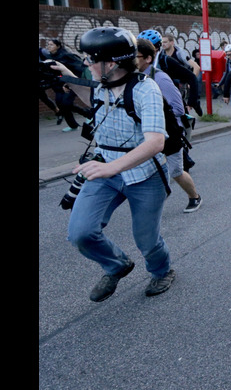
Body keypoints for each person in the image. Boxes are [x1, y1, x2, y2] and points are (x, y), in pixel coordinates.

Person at [49, 27, 176, 302]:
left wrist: (112, 168)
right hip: (104, 165)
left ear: (112, 63)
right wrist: (66, 77)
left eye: (91, 58)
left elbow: (155, 142)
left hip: (144, 174)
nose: (86, 63)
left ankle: (162, 270)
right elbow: (95, 103)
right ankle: (116, 265)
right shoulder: (101, 85)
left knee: (146, 239)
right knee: (80, 233)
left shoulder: (146, 89)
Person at [135, 39, 203, 213]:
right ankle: (154, 200)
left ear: (148, 58)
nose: (131, 60)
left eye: (136, 56)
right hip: (147, 133)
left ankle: (194, 196)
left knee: (176, 171)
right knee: (148, 169)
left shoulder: (159, 77)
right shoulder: (134, 78)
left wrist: (163, 122)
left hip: (169, 132)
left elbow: (178, 107)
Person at [43, 39, 88, 132]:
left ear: (58, 46)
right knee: (61, 104)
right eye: (48, 45)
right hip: (58, 85)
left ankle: (88, 114)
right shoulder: (49, 57)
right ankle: (73, 125)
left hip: (70, 84)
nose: (48, 46)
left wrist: (75, 80)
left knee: (66, 103)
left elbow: (79, 67)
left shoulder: (66, 55)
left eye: (51, 45)